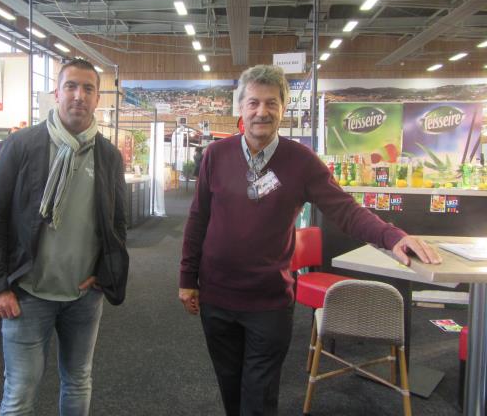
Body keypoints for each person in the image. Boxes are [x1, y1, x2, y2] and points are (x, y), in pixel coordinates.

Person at [178, 64, 440, 416]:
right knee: (229, 385)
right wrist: (187, 278)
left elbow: (346, 210)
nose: (261, 111)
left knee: (259, 396)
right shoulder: (215, 155)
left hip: (268, 303)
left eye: (271, 103)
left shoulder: (301, 161)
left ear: (283, 110)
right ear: (239, 108)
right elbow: (198, 219)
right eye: (253, 102)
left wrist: (392, 237)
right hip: (217, 297)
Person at [0, 58, 129, 415]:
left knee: (78, 381)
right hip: (27, 294)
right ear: (56, 93)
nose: (79, 95)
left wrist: (104, 275)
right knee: (20, 392)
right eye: (71, 86)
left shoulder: (107, 155)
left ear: (98, 98)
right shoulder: (22, 145)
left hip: (82, 296)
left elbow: (116, 224)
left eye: (88, 88)